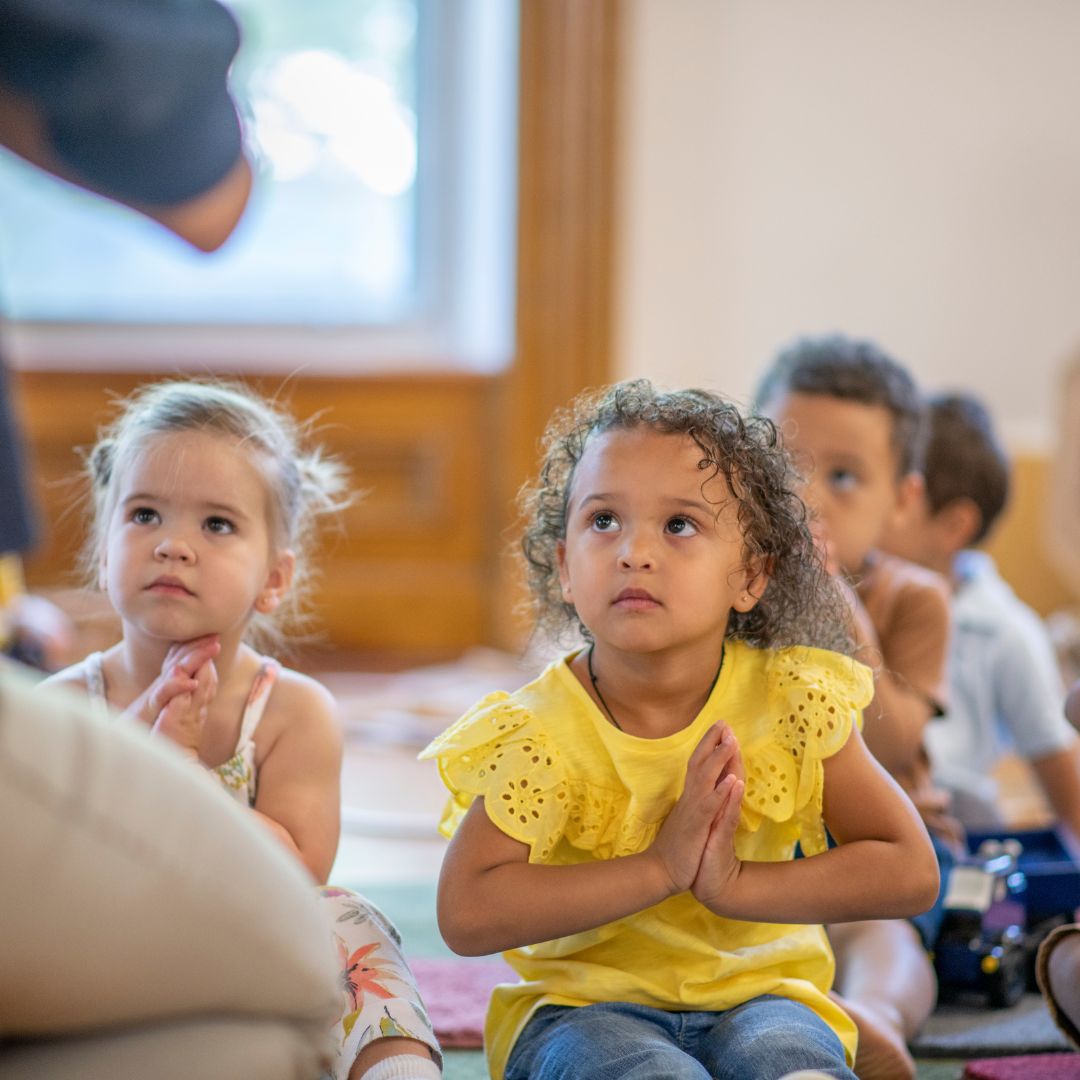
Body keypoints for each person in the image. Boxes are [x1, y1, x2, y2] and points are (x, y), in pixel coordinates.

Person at [420, 379, 939, 1080]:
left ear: (751, 575)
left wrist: (733, 886)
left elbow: (908, 869)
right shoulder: (539, 734)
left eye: (679, 525)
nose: (634, 551)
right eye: (603, 521)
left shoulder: (788, 701)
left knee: (794, 1065)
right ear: (566, 567)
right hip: (584, 1013)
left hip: (764, 999)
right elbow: (466, 911)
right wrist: (660, 869)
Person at [42, 379, 441, 1080]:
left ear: (274, 578)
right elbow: (49, 867)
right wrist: (137, 754)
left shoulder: (292, 711)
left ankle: (395, 1070)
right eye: (143, 515)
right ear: (102, 553)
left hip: (245, 944)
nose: (173, 546)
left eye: (217, 525)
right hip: (111, 950)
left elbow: (300, 875)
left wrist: (190, 774)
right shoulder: (66, 705)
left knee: (350, 919)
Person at [755, 334, 954, 1080]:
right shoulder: (721, 585)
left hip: (878, 849)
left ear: (902, 499)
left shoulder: (914, 599)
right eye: (786, 468)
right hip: (761, 849)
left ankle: (875, 1016)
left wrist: (832, 600)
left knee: (878, 937)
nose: (807, 499)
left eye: (842, 477)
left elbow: (896, 743)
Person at [881, 392, 1080, 839]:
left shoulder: (1008, 633)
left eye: (897, 493)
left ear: (954, 526)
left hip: (956, 846)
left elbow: (1069, 799)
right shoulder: (860, 597)